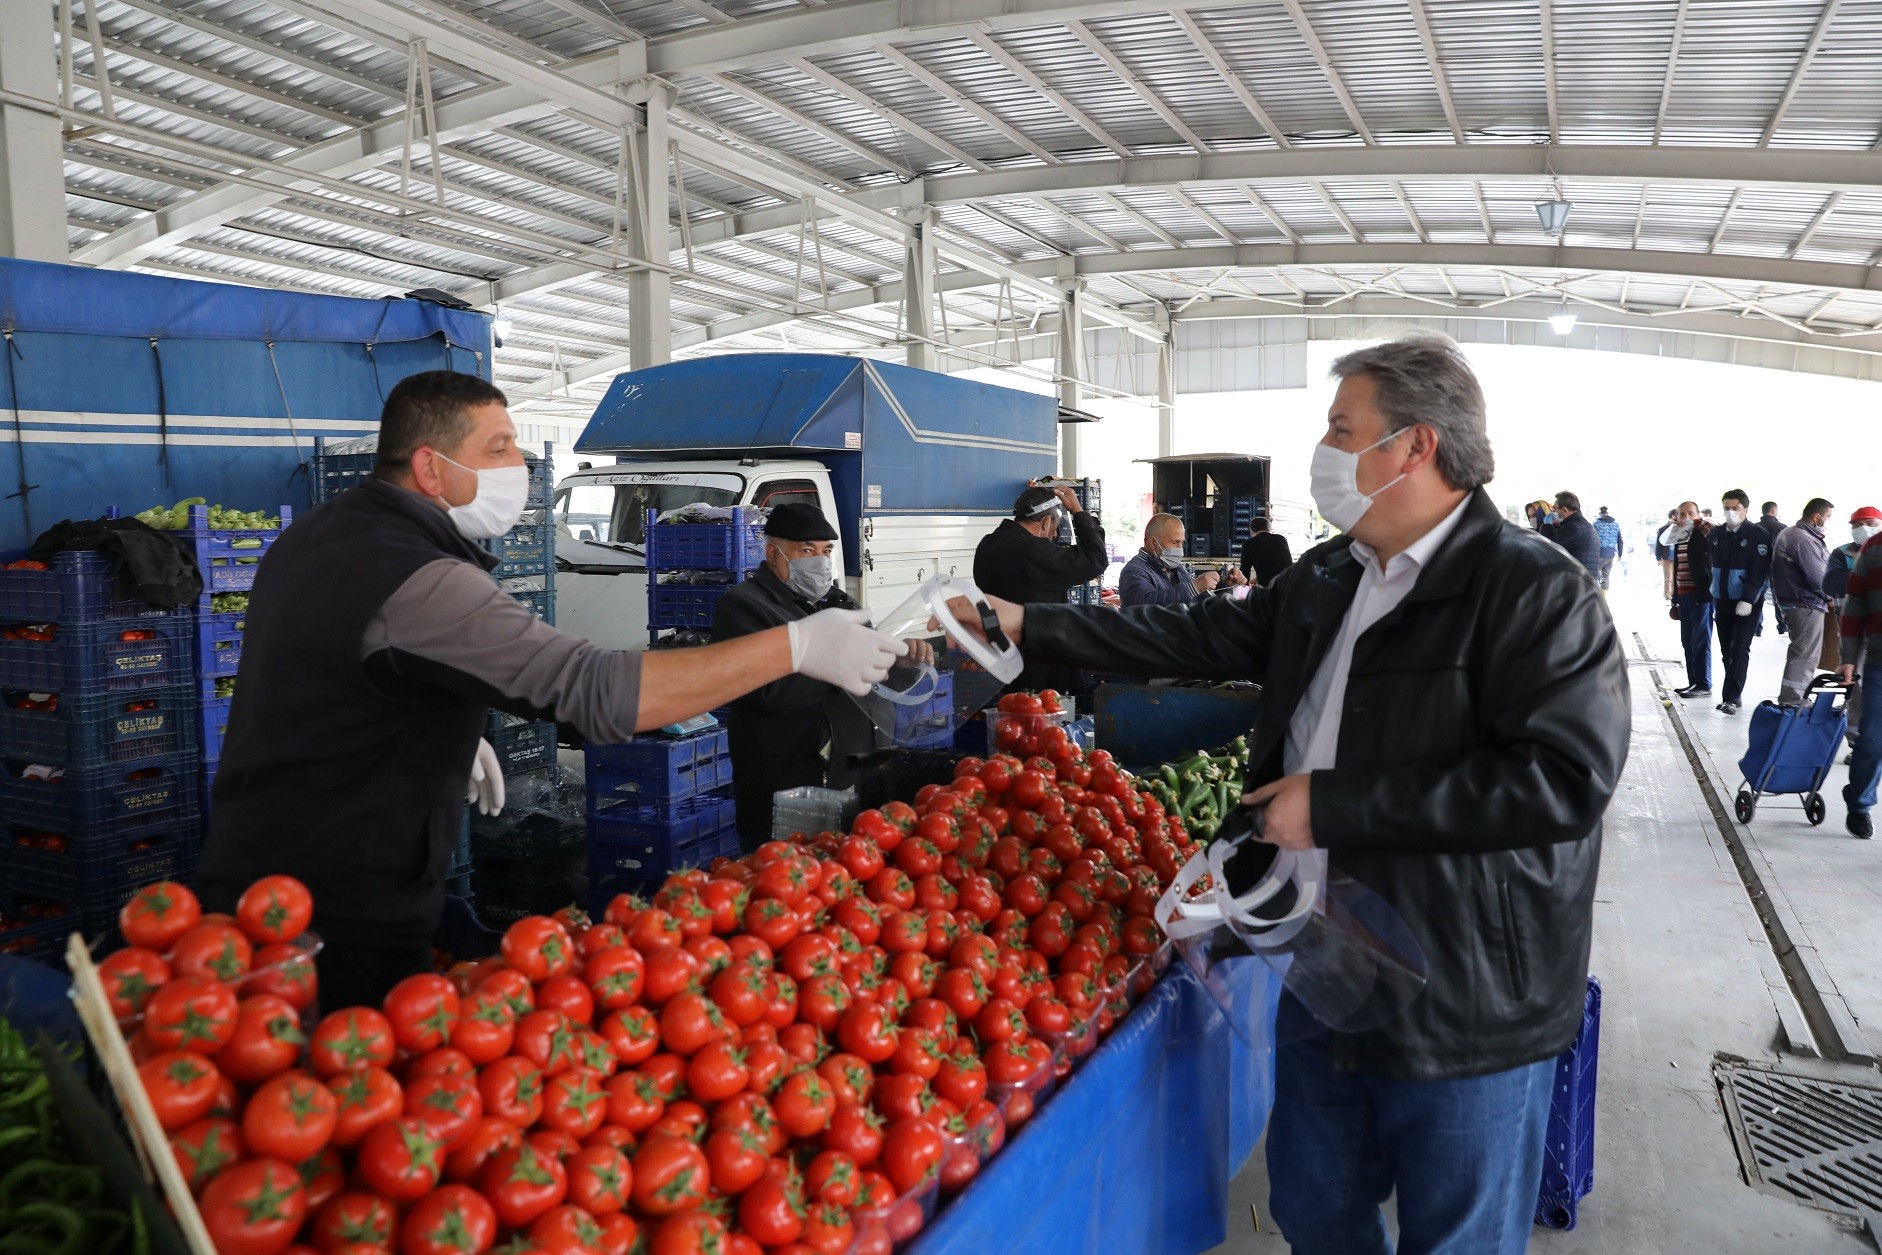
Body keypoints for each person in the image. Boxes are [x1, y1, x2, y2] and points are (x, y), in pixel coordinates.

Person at [954, 334, 1627, 1255]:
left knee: (1455, 1236)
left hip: (1468, 996)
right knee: (1318, 1210)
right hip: (1325, 956)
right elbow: (1191, 636)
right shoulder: (1328, 576)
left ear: (1416, 447)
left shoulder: (1535, 591)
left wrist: (1337, 803)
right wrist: (1029, 621)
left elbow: (1562, 782)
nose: (1326, 449)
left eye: (1342, 429)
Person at [198, 372, 905, 1009]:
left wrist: (423, 713)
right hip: (335, 914)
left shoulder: (323, 535)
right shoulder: (418, 575)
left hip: (263, 885)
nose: (522, 466)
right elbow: (595, 692)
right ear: (430, 467)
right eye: (499, 446)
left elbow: (329, 665)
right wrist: (797, 645)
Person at [713, 504, 904, 851]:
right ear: (774, 553)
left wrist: (903, 659)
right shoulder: (744, 607)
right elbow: (762, 690)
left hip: (856, 777)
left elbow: (875, 669)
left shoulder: (840, 603)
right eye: (806, 551)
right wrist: (838, 667)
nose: (820, 561)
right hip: (792, 787)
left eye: (826, 551)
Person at [972, 483, 1108, 696]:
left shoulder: (988, 544)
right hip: (1039, 667)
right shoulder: (1031, 550)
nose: (1054, 538)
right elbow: (1096, 560)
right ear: (1046, 522)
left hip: (1001, 657)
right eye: (1055, 530)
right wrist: (1079, 512)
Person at [1709, 488, 1774, 715]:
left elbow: (1759, 572)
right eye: (1726, 508)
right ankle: (1733, 694)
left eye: (1735, 508)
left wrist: (1747, 599)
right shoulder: (1717, 534)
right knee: (1726, 650)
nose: (1730, 512)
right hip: (1723, 600)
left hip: (1748, 604)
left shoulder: (1759, 536)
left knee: (1739, 650)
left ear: (1745, 509)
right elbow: (1712, 567)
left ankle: (1731, 697)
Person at [1839, 524, 1882, 838]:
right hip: (1880, 662)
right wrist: (1849, 655)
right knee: (1872, 740)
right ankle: (1860, 803)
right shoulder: (1874, 548)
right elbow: (1855, 604)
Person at [1826, 507, 1882, 748]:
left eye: (1870, 523)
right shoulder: (1841, 553)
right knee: (1855, 682)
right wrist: (1864, 574)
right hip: (1852, 625)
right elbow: (1831, 583)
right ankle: (1856, 740)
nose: (1864, 529)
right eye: (1858, 525)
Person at [1770, 498, 1834, 706]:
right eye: (1828, 517)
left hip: (1795, 603)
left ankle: (1793, 698)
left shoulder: (1791, 533)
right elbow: (1818, 578)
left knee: (1802, 653)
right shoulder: (1803, 539)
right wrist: (1832, 598)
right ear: (1816, 517)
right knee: (1805, 655)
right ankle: (1793, 700)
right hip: (1806, 604)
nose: (1828, 521)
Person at [1117, 514, 1223, 606]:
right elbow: (1147, 605)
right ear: (1153, 543)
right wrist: (1194, 587)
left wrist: (1223, 586)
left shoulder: (1173, 567)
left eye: (1182, 543)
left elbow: (1194, 599)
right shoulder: (1134, 571)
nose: (1180, 549)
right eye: (1175, 542)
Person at [1669, 501, 1715, 698]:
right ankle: (1693, 681)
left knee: (1701, 640)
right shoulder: (1679, 535)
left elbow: (1716, 532)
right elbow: (1677, 566)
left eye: (1690, 513)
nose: (1686, 517)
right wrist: (1675, 596)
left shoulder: (1703, 531)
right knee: (1687, 641)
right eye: (1681, 514)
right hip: (1683, 595)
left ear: (1698, 515)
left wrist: (1702, 524)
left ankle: (1703, 683)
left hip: (1701, 595)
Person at [1546, 491, 1601, 579]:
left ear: (1564, 509)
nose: (1553, 512)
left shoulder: (1573, 527)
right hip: (1586, 582)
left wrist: (1547, 526)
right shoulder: (1584, 525)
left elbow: (1547, 549)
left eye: (1554, 509)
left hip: (1578, 584)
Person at [1239, 517, 1293, 586]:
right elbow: (1283, 564)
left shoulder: (1248, 544)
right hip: (1288, 583)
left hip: (1268, 587)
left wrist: (1246, 586)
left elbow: (1245, 570)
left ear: (1251, 531)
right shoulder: (1281, 539)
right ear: (1269, 529)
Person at [1592, 506, 1624, 591]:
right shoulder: (1616, 524)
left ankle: (1595, 597)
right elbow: (1620, 540)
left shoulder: (1596, 523)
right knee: (1606, 576)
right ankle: (1604, 598)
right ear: (1607, 514)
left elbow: (1591, 538)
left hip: (1598, 553)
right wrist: (1620, 554)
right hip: (1611, 554)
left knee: (1594, 575)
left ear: (1600, 514)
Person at [1655, 508, 1679, 600]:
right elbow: (1658, 544)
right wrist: (1658, 558)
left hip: (1677, 557)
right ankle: (1667, 595)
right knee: (1668, 577)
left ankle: (1674, 594)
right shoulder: (1662, 529)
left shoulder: (1680, 528)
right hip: (1666, 557)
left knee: (1676, 577)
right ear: (1673, 516)